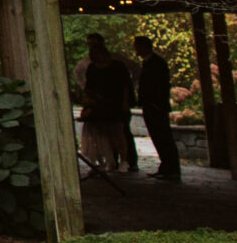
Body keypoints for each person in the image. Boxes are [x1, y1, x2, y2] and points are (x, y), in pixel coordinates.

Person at [77, 33, 135, 173]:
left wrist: (125, 102)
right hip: (98, 103)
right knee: (100, 134)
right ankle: (105, 161)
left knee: (118, 133)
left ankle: (124, 161)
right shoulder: (91, 67)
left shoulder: (118, 65)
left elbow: (125, 85)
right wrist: (87, 103)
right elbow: (88, 86)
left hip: (115, 103)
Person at [134, 36, 182, 180]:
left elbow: (160, 86)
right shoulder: (149, 63)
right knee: (158, 138)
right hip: (151, 106)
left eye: (137, 46)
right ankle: (166, 167)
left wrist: (155, 103)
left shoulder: (156, 63)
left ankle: (171, 169)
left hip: (156, 107)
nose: (135, 49)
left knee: (163, 138)